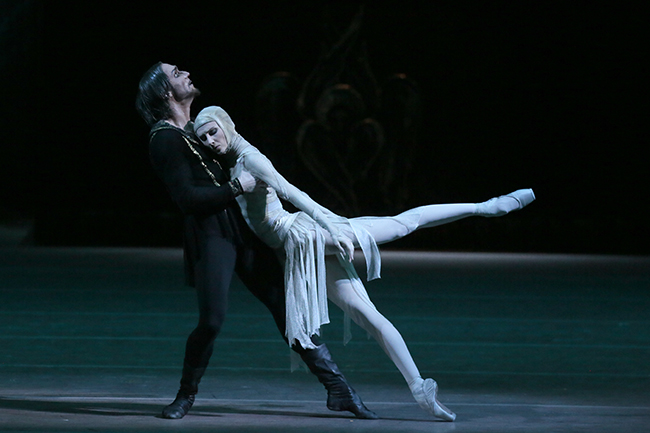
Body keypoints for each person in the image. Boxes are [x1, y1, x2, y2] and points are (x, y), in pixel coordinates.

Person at [193, 105, 536, 421]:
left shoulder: (251, 159)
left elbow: (294, 194)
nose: (210, 140)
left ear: (226, 126)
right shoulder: (232, 163)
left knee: (403, 223)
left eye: (213, 132)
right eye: (204, 137)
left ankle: (487, 207)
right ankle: (419, 388)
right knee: (368, 317)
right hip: (301, 250)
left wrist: (333, 225)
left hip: (309, 236)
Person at [135, 62, 378, 420]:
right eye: (175, 73)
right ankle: (185, 395)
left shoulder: (196, 129)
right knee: (213, 320)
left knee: (288, 310)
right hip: (211, 235)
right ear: (165, 92)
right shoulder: (165, 139)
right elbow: (187, 199)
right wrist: (238, 187)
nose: (186, 72)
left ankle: (339, 389)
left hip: (239, 230)